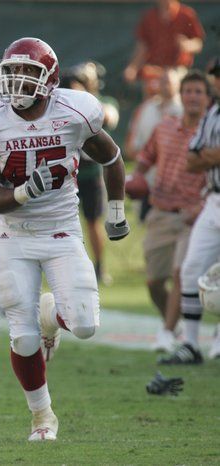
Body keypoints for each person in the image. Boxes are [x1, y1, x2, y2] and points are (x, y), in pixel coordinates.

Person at [0, 37, 129, 441]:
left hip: (61, 232)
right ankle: (42, 416)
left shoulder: (75, 112)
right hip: (13, 236)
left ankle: (51, 314)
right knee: (21, 336)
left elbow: (111, 157)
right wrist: (24, 192)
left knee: (86, 325)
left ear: (50, 79)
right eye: (12, 72)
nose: (18, 81)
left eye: (28, 73)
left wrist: (117, 212)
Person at [132, 71, 210, 353]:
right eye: (188, 91)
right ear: (181, 94)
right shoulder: (165, 127)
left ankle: (167, 332)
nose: (192, 96)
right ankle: (174, 322)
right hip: (161, 210)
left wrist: (202, 206)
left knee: (181, 273)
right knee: (154, 281)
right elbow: (144, 159)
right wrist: (135, 180)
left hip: (194, 215)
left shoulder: (210, 131)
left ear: (207, 97)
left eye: (198, 92)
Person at [161, 59, 220, 364]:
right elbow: (191, 160)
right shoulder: (212, 115)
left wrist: (207, 156)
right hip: (213, 200)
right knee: (191, 269)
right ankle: (192, 343)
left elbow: (201, 156)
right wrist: (213, 156)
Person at [63, 62, 120, 284]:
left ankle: (99, 266)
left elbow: (108, 117)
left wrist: (83, 97)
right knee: (64, 221)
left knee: (93, 221)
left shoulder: (103, 103)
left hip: (92, 170)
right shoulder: (66, 105)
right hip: (69, 171)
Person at [123, 0, 204, 83]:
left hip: (178, 70)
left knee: (172, 82)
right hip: (155, 69)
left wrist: (187, 45)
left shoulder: (186, 14)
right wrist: (133, 67)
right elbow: (142, 46)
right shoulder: (149, 17)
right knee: (150, 81)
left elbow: (198, 43)